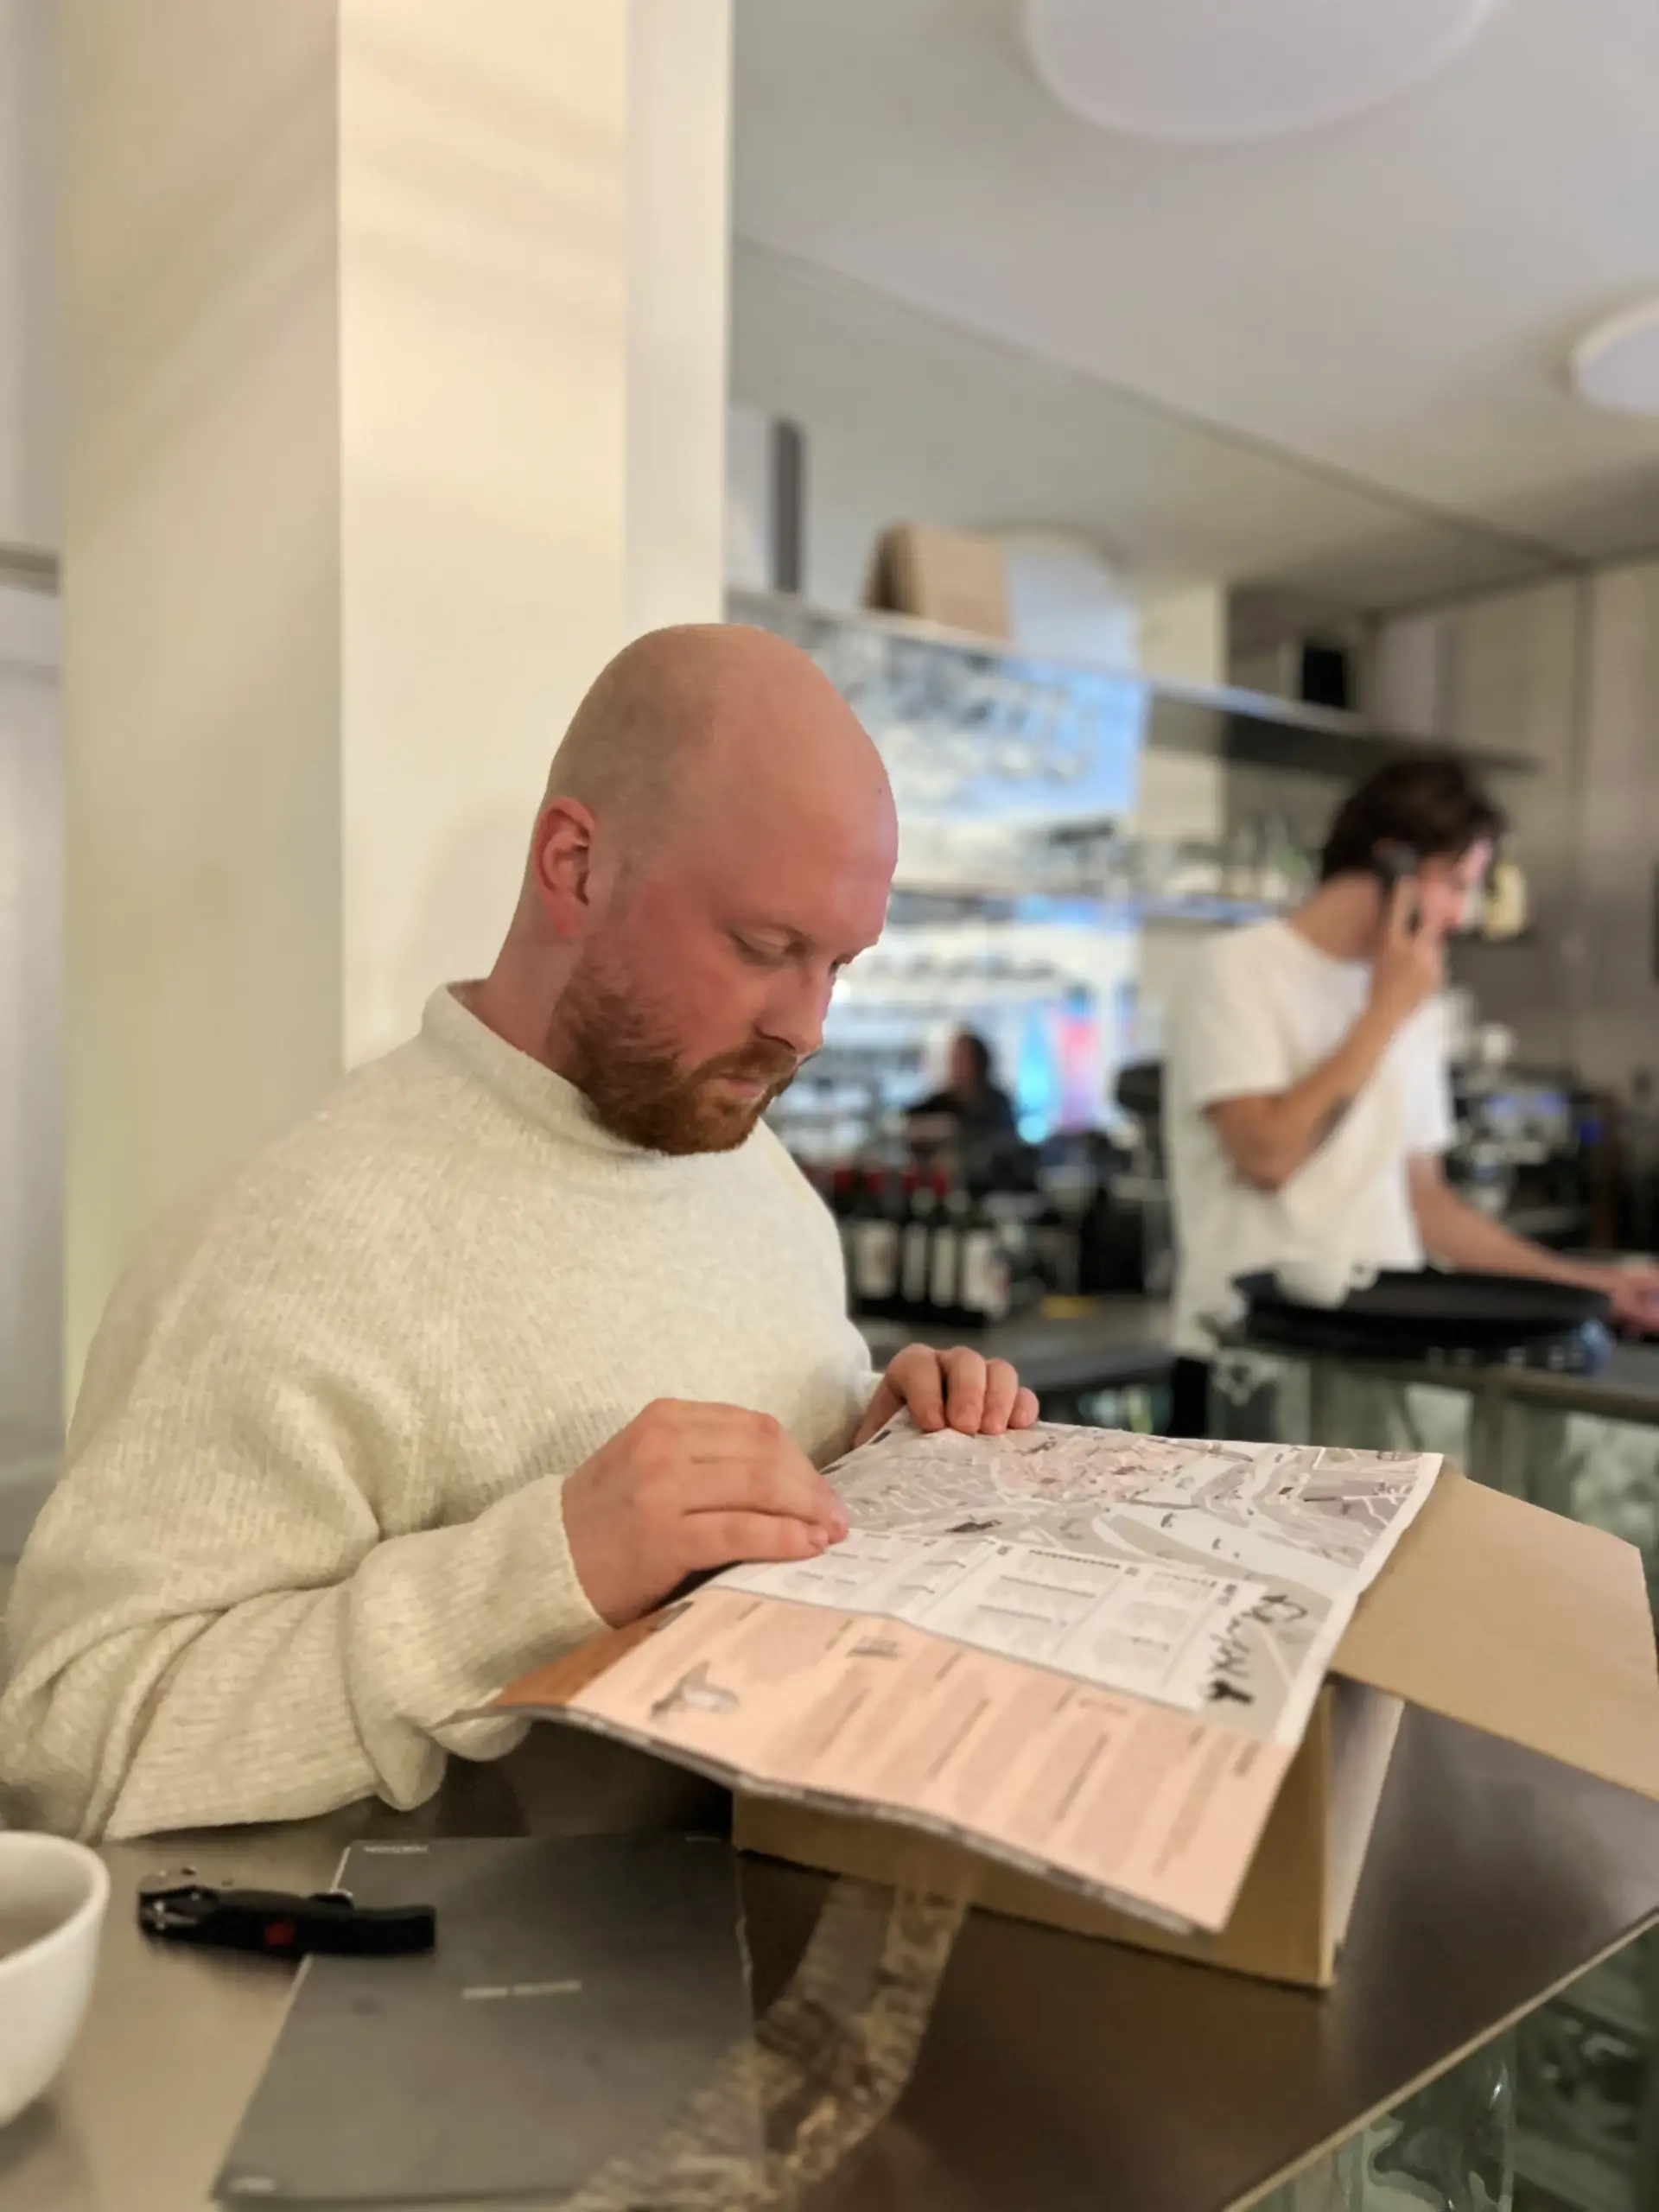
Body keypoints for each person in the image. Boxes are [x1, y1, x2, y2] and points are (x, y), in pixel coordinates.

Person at [0, 626, 1039, 1841]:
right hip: (494, 1957)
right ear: (575, 866)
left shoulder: (753, 1169)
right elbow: (73, 1743)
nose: (804, 1028)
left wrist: (875, 1442)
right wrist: (538, 1574)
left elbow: (747, 1499)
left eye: (839, 966)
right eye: (764, 948)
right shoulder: (279, 1251)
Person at [1165, 753, 1659, 1438]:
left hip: (1384, 1365)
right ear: (1393, 864)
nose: (1461, 914)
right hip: (1252, 1360)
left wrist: (1586, 1286)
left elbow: (1428, 1206)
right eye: (1455, 884)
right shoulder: (1237, 971)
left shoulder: (1412, 998)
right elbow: (1268, 1156)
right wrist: (1383, 1014)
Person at [905, 1029, 1019, 1148]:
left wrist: (959, 1130)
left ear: (980, 1063)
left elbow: (1003, 1139)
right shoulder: (941, 1101)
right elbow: (906, 1122)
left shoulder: (997, 1103)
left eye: (965, 1059)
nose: (958, 1066)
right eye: (955, 1059)